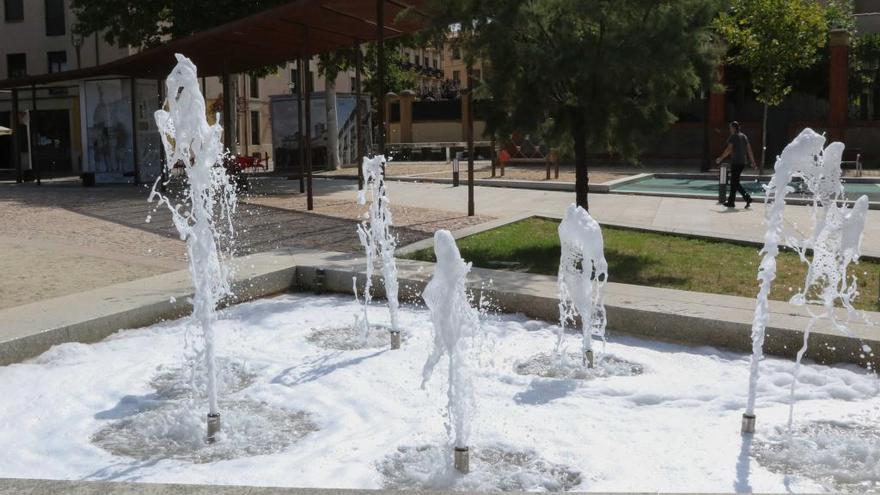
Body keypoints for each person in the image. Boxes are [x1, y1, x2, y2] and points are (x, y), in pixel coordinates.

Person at [715, 121, 757, 208]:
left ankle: (746, 198)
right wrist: (753, 162)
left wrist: (721, 158)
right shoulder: (744, 136)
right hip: (742, 163)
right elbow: (749, 150)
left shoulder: (733, 136)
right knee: (734, 182)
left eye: (730, 128)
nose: (730, 129)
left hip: (736, 162)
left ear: (734, 128)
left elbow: (729, 149)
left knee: (735, 183)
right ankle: (732, 202)